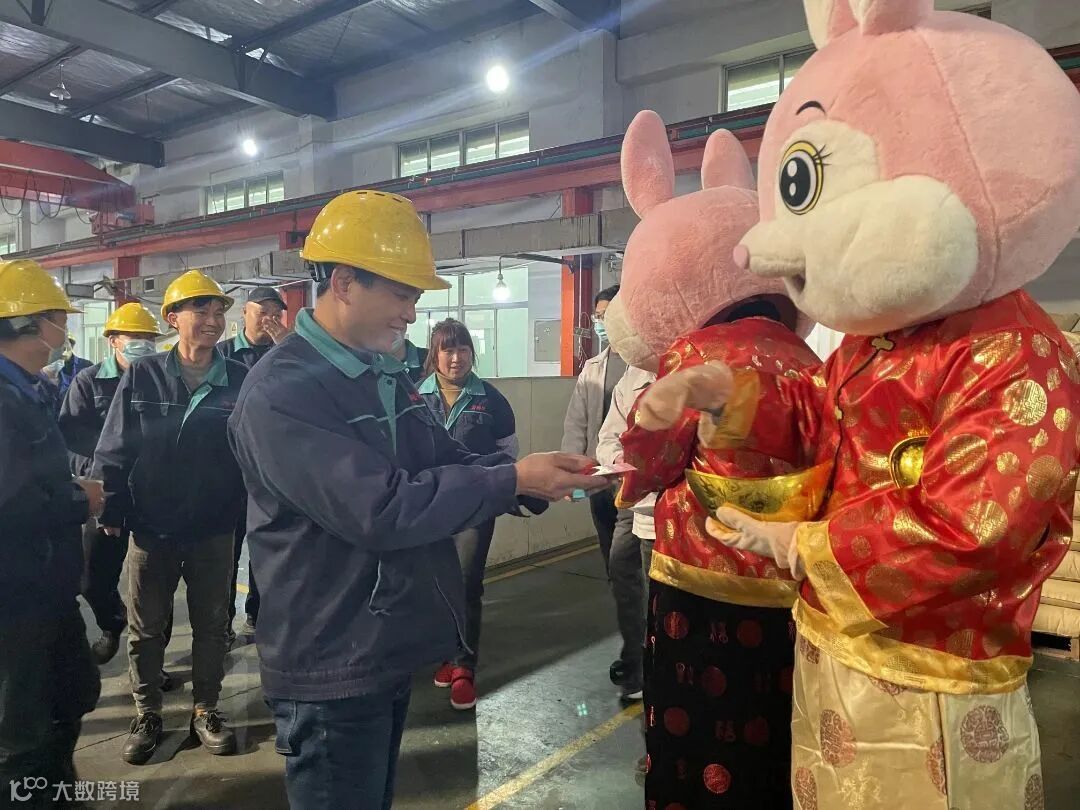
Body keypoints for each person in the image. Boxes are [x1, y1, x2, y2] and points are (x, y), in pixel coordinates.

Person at [227, 189, 606, 810]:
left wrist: (538, 478)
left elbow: (442, 460)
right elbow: (380, 508)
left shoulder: (383, 376)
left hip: (381, 641)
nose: (412, 312)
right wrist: (511, 480)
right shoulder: (283, 393)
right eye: (402, 293)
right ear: (344, 283)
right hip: (329, 657)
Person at [95, 270, 248, 765]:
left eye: (219, 311)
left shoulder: (238, 379)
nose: (213, 320)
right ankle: (147, 713)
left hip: (213, 526)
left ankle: (206, 709)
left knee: (212, 624)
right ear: (172, 318)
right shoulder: (143, 375)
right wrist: (112, 506)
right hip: (152, 525)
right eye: (200, 310)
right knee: (146, 627)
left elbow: (253, 450)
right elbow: (116, 444)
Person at [0, 259, 102, 807]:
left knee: (70, 696)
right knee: (23, 730)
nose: (63, 330)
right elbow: (11, 502)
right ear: (31, 323)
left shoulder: (28, 389)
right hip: (15, 598)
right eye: (59, 319)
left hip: (46, 589)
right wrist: (79, 500)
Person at [418, 318, 518, 711]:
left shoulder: (491, 400)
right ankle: (445, 652)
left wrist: (498, 491)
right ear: (435, 353)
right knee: (432, 584)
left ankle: (463, 666)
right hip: (426, 504)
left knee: (465, 581)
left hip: (474, 506)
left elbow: (508, 453)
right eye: (447, 349)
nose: (456, 358)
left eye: (462, 349)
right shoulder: (413, 396)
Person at [59, 302, 162, 666]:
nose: (144, 344)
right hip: (106, 495)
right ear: (114, 341)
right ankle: (112, 622)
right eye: (135, 337)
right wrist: (101, 474)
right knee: (93, 580)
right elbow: (70, 439)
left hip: (151, 496)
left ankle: (150, 664)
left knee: (153, 584)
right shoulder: (88, 382)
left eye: (149, 337)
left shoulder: (161, 379)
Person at [560, 284, 630, 681]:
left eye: (607, 316)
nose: (601, 324)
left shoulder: (648, 364)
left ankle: (639, 651)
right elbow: (577, 424)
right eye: (597, 317)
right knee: (613, 568)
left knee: (629, 568)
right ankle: (630, 644)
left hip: (634, 486)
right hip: (599, 481)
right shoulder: (593, 367)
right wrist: (572, 475)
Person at [217, 286, 289, 642]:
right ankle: (221, 623)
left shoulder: (289, 353)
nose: (268, 319)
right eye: (262, 311)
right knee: (225, 553)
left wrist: (288, 347)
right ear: (244, 314)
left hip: (269, 473)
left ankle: (259, 617)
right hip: (227, 473)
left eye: (275, 313)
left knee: (266, 551)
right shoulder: (222, 355)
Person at [595, 363, 656, 703]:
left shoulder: (695, 368)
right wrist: (620, 460)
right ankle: (636, 663)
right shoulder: (633, 376)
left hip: (673, 509)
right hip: (631, 500)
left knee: (658, 592)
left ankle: (658, 671)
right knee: (622, 572)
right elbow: (608, 435)